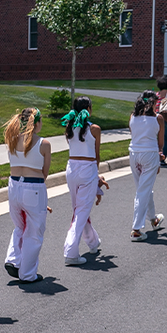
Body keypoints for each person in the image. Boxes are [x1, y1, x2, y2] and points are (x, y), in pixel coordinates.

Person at [2, 107, 52, 280]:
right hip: (34, 186)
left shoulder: (11, 140)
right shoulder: (43, 143)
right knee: (34, 231)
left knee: (20, 226)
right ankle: (28, 274)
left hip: (14, 185)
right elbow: (44, 173)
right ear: (36, 123)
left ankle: (13, 259)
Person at [62, 96, 109, 263]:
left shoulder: (68, 127)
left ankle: (93, 242)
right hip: (87, 169)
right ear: (88, 109)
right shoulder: (95, 128)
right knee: (81, 211)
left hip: (71, 169)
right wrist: (96, 176)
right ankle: (70, 252)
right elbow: (96, 156)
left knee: (78, 210)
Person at [129, 91, 166, 241]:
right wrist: (160, 153)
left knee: (143, 189)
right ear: (154, 102)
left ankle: (153, 219)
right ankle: (136, 229)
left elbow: (133, 134)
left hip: (134, 153)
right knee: (143, 191)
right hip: (149, 154)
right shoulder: (158, 118)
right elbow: (161, 141)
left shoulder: (133, 116)